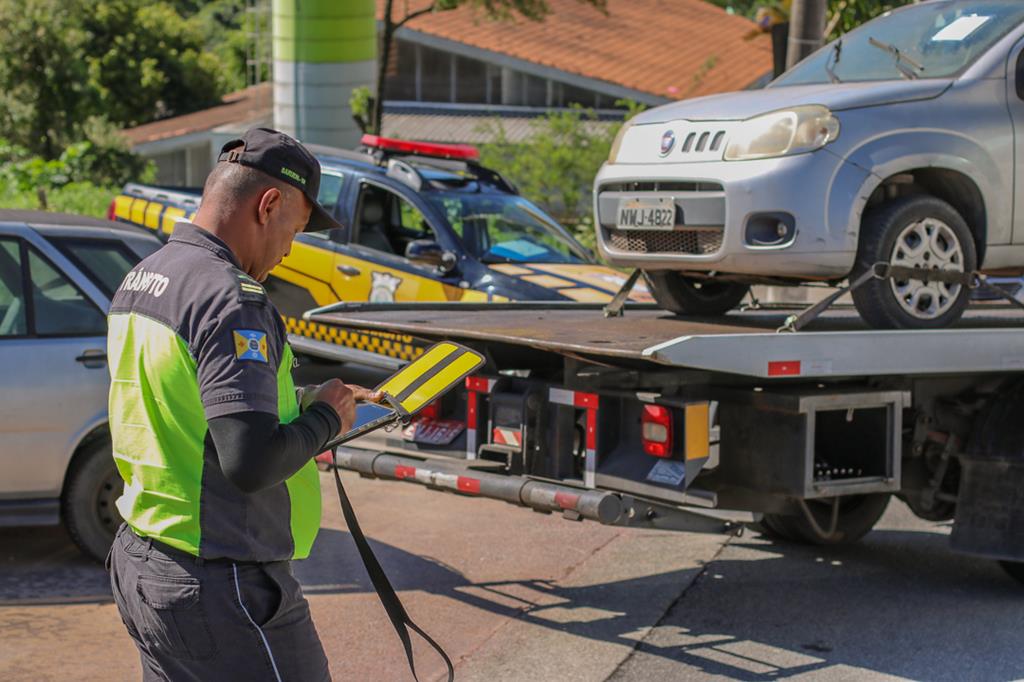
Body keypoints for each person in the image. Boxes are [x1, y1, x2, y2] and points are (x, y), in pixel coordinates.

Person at [105, 128, 377, 681]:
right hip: (222, 582)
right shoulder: (231, 298)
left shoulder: (144, 278)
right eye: (293, 231)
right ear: (268, 204)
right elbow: (249, 462)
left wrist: (297, 404)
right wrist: (325, 419)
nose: (288, 251)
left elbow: (189, 404)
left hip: (144, 560)